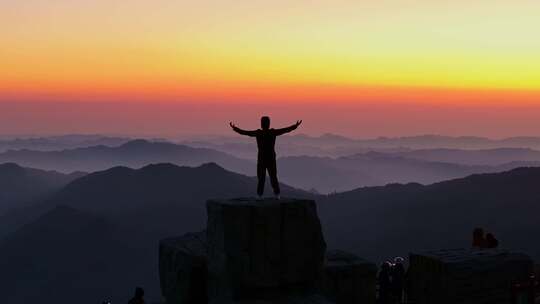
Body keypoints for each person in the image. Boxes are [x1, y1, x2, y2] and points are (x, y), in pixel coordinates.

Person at [230, 117, 302, 199]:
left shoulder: (259, 133)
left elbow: (246, 132)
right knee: (273, 177)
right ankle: (277, 194)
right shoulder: (272, 132)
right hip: (271, 159)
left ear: (261, 124)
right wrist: (295, 126)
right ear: (269, 124)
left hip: (261, 159)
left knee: (262, 178)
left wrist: (235, 128)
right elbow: (285, 130)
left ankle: (260, 195)